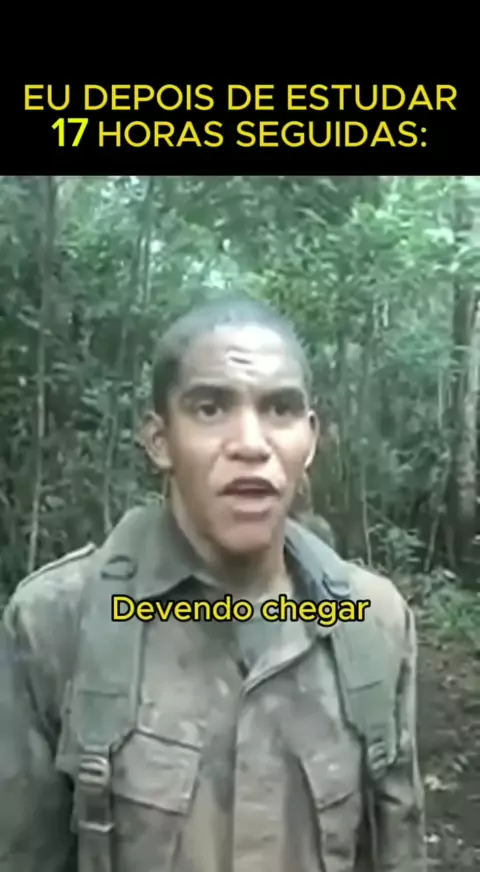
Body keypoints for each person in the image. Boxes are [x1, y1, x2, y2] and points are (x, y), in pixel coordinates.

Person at [0, 296, 427, 871]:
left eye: (280, 409)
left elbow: (397, 851)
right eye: (210, 409)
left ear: (309, 440)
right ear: (159, 440)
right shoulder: (59, 621)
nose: (251, 443)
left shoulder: (371, 622)